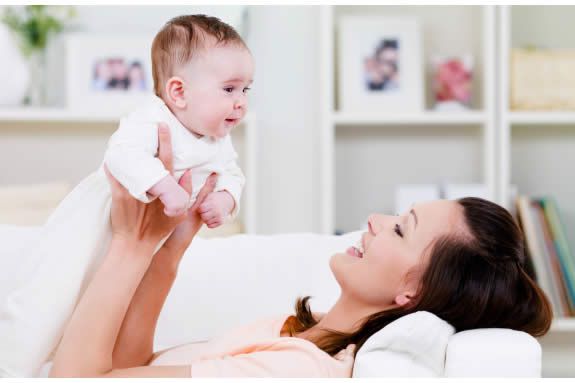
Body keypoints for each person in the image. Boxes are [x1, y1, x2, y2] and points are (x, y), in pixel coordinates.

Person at [47, 127, 552, 378]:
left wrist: (129, 243)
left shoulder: (296, 369)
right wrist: (169, 249)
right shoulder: (297, 337)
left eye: (401, 230)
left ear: (412, 292)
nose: (377, 221)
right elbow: (134, 368)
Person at [0, 14, 252, 377]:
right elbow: (121, 156)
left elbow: (232, 175)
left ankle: (60, 364)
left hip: (146, 235)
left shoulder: (217, 142)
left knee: (100, 306)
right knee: (48, 299)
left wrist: (225, 200)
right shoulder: (154, 119)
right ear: (178, 92)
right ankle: (11, 366)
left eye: (246, 90)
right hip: (92, 226)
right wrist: (163, 186)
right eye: (229, 89)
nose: (241, 101)